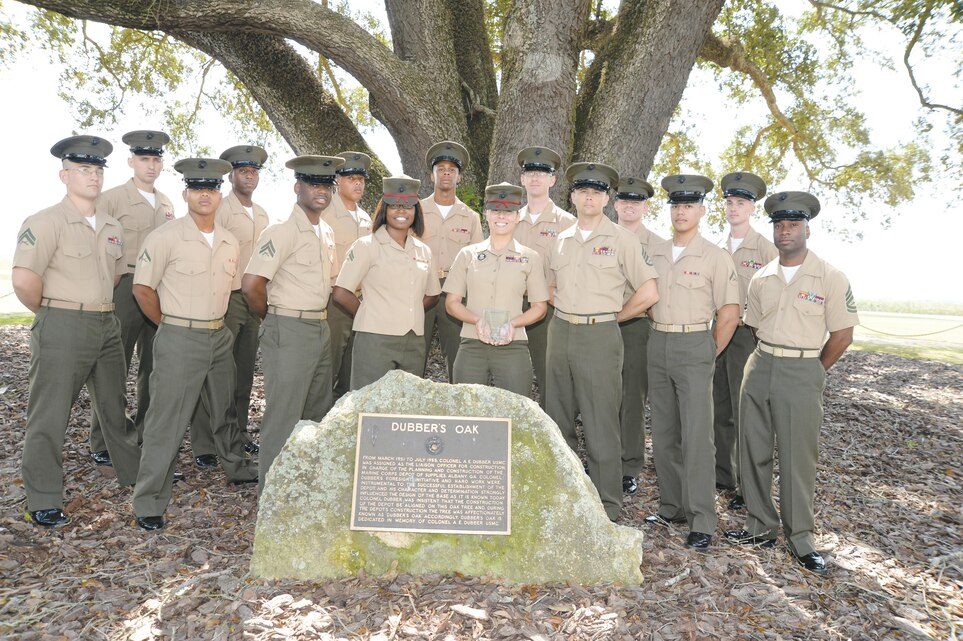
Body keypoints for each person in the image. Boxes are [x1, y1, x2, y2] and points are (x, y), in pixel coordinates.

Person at [725, 191, 858, 574]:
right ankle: (759, 525)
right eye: (780, 225)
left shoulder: (830, 277)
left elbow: (842, 335)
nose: (785, 231)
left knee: (798, 458)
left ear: (807, 230)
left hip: (802, 371)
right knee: (753, 450)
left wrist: (815, 370)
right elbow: (753, 326)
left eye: (793, 225)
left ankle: (800, 538)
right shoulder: (762, 277)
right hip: (761, 364)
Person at [12, 134, 141, 527]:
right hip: (63, 323)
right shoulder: (46, 221)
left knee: (114, 408)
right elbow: (23, 280)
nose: (93, 176)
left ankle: (135, 476)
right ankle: (44, 497)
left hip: (106, 323)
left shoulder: (112, 225)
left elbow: (115, 274)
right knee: (50, 414)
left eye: (98, 169)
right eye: (84, 169)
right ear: (64, 175)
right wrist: (55, 313)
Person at [131, 157, 257, 531]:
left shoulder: (229, 241)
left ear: (220, 195)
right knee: (166, 419)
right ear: (186, 194)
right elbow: (142, 288)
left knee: (225, 410)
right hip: (179, 335)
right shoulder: (165, 237)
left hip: (218, 335)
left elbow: (232, 290)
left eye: (212, 189)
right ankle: (150, 499)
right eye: (198, 189)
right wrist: (170, 325)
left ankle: (235, 467)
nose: (206, 195)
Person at [546, 162, 659, 522]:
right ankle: (565, 497)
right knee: (558, 416)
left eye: (596, 191)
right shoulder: (560, 240)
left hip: (600, 334)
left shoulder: (622, 239)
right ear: (573, 196)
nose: (589, 196)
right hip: (560, 331)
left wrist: (614, 317)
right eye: (582, 191)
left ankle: (607, 505)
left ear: (607, 198)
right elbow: (548, 286)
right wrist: (565, 308)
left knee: (600, 422)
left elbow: (649, 291)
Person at [644, 174, 740, 550]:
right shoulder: (655, 253)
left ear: (702, 211)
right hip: (658, 341)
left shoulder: (716, 256)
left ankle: (702, 518)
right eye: (676, 205)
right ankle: (673, 506)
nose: (681, 211)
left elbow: (729, 314)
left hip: (695, 343)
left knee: (698, 436)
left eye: (689, 205)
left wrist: (707, 353)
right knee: (665, 432)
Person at [241, 155, 340, 491]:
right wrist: (273, 319)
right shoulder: (282, 229)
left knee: (316, 414)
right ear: (297, 187)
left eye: (327, 184)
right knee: (284, 416)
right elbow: (252, 285)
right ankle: (271, 496)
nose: (321, 190)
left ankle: (304, 490)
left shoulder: (325, 231)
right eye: (313, 183)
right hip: (289, 327)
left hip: (319, 328)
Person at [88, 130, 176, 466]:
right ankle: (105, 440)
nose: (151, 166)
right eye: (144, 159)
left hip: (157, 287)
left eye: (156, 160)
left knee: (154, 367)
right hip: (124, 284)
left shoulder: (167, 202)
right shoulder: (111, 198)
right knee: (114, 365)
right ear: (131, 162)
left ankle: (142, 435)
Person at [190, 145, 269, 469]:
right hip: (225, 296)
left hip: (252, 298)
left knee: (243, 373)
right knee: (214, 372)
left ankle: (235, 435)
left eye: (254, 172)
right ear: (232, 175)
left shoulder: (262, 213)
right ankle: (205, 443)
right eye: (243, 171)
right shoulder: (221, 209)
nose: (249, 177)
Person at [333, 175, 441, 389]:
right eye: (394, 206)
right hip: (375, 339)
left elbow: (433, 294)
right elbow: (341, 293)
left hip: (413, 340)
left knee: (408, 406)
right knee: (368, 406)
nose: (401, 211)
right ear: (384, 210)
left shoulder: (424, 250)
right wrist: (370, 313)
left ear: (416, 211)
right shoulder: (366, 245)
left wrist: (407, 312)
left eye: (408, 206)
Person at [444, 183, 549, 395]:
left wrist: (513, 324)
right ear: (487, 214)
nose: (502, 217)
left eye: (508, 211)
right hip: (472, 344)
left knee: (516, 412)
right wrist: (477, 321)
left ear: (517, 216)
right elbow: (451, 303)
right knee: (466, 410)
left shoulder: (530, 257)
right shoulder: (467, 255)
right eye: (496, 211)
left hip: (513, 346)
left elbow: (540, 307)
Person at [712, 172, 777, 510]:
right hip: (716, 331)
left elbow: (778, 296)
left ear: (753, 208)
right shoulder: (717, 248)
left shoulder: (766, 249)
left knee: (746, 414)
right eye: (730, 202)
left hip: (747, 337)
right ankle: (725, 476)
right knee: (720, 409)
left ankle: (748, 487)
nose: (734, 208)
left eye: (741, 203)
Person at [512, 146, 576, 407]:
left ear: (552, 180)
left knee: (551, 376)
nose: (535, 177)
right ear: (522, 179)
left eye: (543, 172)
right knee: (511, 374)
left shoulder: (568, 223)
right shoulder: (508, 220)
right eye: (530, 172)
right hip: (512, 305)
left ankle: (555, 437)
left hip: (549, 308)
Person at [612, 176, 664, 496]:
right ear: (614, 204)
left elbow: (659, 292)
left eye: (637, 201)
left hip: (634, 326)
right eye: (624, 200)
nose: (630, 206)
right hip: (597, 325)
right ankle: (604, 457)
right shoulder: (598, 235)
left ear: (644, 206)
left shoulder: (659, 245)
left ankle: (629, 466)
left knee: (631, 398)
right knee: (600, 396)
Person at [419, 141, 484, 381]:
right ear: (431, 175)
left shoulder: (471, 217)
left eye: (452, 170)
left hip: (454, 292)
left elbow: (477, 262)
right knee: (415, 353)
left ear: (459, 178)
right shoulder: (415, 211)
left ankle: (458, 411)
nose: (446, 173)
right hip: (421, 290)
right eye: (441, 168)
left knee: (457, 356)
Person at [323, 151, 373, 400]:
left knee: (351, 369)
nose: (357, 184)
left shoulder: (366, 218)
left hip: (360, 300)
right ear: (337, 180)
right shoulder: (324, 213)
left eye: (361, 179)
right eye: (351, 178)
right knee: (327, 366)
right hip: (333, 301)